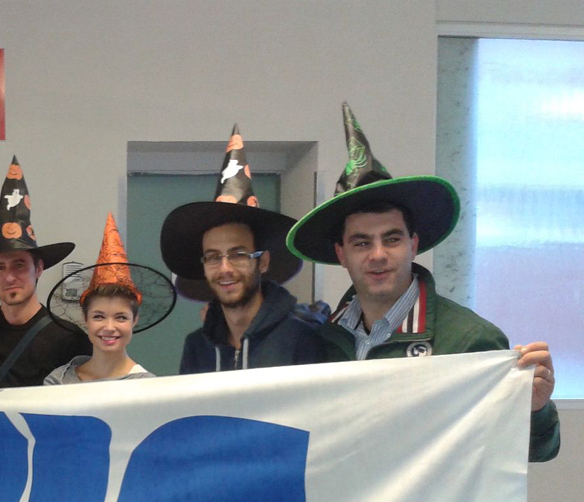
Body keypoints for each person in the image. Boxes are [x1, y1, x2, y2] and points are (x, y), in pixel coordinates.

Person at [286, 102, 559, 462]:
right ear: (341, 254)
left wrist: (535, 410)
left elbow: (530, 452)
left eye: (392, 239)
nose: (378, 254)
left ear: (414, 244)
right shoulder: (323, 340)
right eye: (362, 243)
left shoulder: (468, 340)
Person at [161, 125, 325, 374]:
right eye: (213, 257)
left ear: (263, 262)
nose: (225, 269)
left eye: (238, 254)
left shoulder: (300, 340)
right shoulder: (197, 346)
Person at [0, 157, 90, 388]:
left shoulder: (70, 339)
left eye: (19, 265)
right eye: (0, 267)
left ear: (38, 268)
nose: (9, 277)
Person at [44, 213, 175, 383]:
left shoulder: (148, 387)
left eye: (121, 317)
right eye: (98, 316)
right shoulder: (58, 381)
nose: (109, 327)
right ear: (85, 319)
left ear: (134, 320)